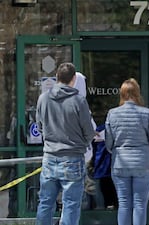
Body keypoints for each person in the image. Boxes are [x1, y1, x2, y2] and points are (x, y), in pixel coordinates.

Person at [35, 62, 96, 225]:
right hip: (73, 158)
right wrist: (82, 142)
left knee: (45, 203)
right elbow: (89, 132)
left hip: (49, 157)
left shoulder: (43, 98)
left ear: (56, 77)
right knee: (70, 205)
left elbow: (39, 126)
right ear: (74, 79)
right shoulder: (78, 101)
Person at [105, 78, 149, 225]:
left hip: (120, 163)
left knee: (123, 203)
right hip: (144, 163)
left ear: (122, 94)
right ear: (137, 93)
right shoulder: (147, 114)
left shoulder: (112, 114)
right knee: (140, 204)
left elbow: (109, 143)